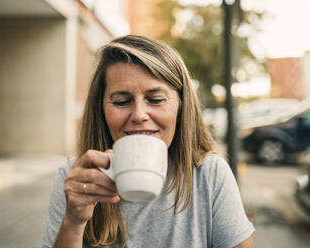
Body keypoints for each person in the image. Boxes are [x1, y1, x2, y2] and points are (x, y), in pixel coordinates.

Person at [41, 35, 255, 248]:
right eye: (122, 101)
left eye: (156, 99)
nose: (139, 115)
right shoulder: (78, 179)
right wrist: (73, 222)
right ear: (101, 110)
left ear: (181, 106)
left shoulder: (209, 174)